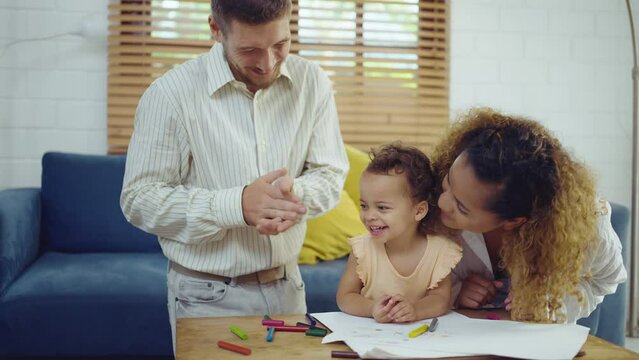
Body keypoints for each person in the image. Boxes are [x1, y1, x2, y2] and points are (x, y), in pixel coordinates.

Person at [119, 0, 349, 350]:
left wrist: (289, 198)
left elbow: (330, 173)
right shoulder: (169, 95)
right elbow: (140, 199)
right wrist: (237, 205)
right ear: (216, 29)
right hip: (205, 295)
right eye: (250, 49)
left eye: (280, 45)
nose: (268, 62)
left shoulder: (313, 83)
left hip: (288, 286)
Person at [432, 107, 627, 323]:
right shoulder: (426, 205)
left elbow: (605, 279)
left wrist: (553, 302)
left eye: (461, 207)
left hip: (541, 336)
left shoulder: (584, 223)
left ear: (513, 221)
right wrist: (456, 291)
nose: (442, 201)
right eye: (448, 182)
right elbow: (418, 276)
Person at [336, 143, 462, 323]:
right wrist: (372, 308)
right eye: (364, 205)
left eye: (382, 207)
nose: (369, 216)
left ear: (419, 211)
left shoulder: (439, 251)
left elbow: (441, 299)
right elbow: (345, 297)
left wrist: (414, 310)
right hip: (369, 337)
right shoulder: (362, 250)